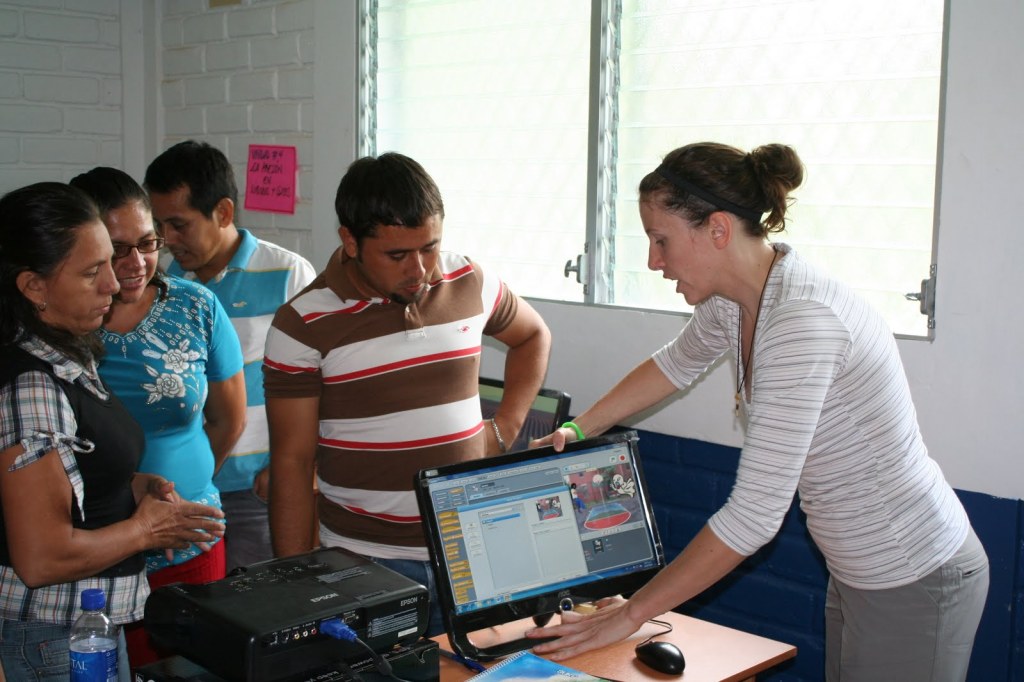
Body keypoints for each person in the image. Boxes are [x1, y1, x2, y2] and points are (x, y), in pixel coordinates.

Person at [526, 142, 989, 682]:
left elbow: (754, 518)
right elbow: (674, 364)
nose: (653, 261)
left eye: (661, 240)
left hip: (913, 571)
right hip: (860, 568)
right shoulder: (737, 300)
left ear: (718, 230)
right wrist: (579, 428)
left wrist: (630, 615)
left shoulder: (800, 320)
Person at [263, 152, 552, 636]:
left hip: (470, 551)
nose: (418, 269)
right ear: (350, 241)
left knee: (477, 667)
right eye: (397, 255)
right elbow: (292, 462)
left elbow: (533, 335)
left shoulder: (470, 281)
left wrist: (505, 426)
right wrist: (298, 586)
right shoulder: (303, 323)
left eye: (429, 247)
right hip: (365, 563)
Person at [0, 182, 226, 681]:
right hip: (53, 638)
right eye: (91, 272)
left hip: (82, 628)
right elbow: (42, 556)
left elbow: (71, 482)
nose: (112, 283)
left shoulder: (67, 353)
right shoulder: (33, 385)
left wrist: (133, 486)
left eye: (111, 262)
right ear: (34, 286)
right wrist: (147, 530)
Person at [70, 168, 246, 667]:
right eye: (116, 249)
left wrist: (178, 501)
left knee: (194, 671)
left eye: (148, 244)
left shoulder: (196, 306)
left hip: (191, 540)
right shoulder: (66, 323)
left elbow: (228, 420)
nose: (136, 263)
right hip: (94, 552)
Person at [143, 141, 316, 572]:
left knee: (260, 601)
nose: (167, 240)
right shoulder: (165, 284)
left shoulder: (288, 274)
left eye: (179, 225)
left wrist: (289, 469)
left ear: (223, 212)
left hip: (258, 489)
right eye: (160, 225)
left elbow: (324, 384)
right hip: (185, 490)